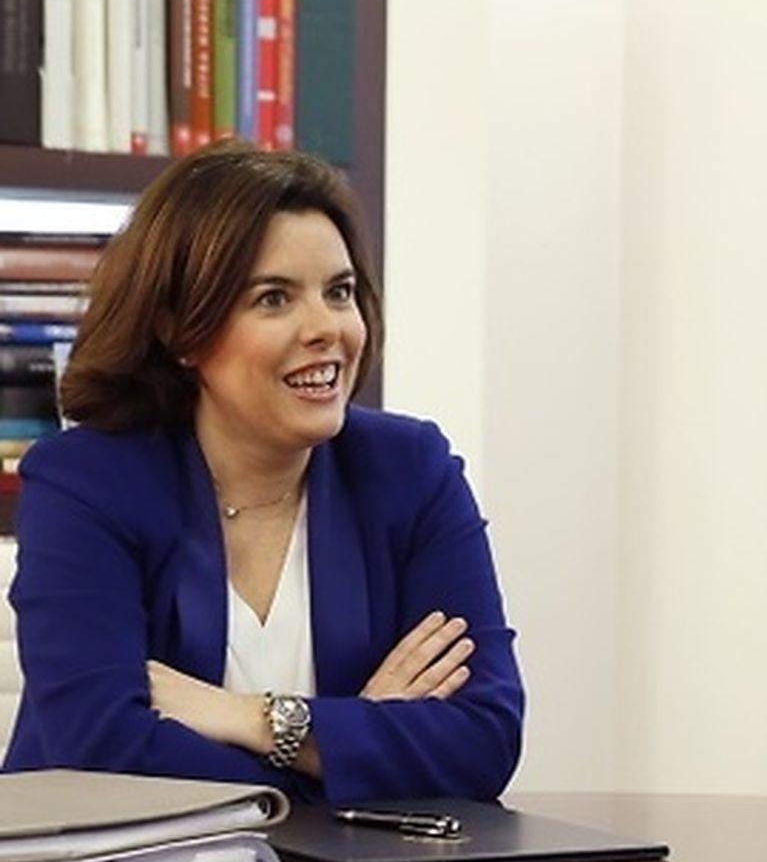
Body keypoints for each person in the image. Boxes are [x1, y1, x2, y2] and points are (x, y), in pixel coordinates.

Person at [1, 142, 524, 803]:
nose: (326, 328)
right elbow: (101, 748)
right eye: (274, 299)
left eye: (340, 292)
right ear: (181, 331)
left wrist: (258, 718)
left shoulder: (410, 472)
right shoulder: (86, 484)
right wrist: (352, 742)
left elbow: (484, 741)